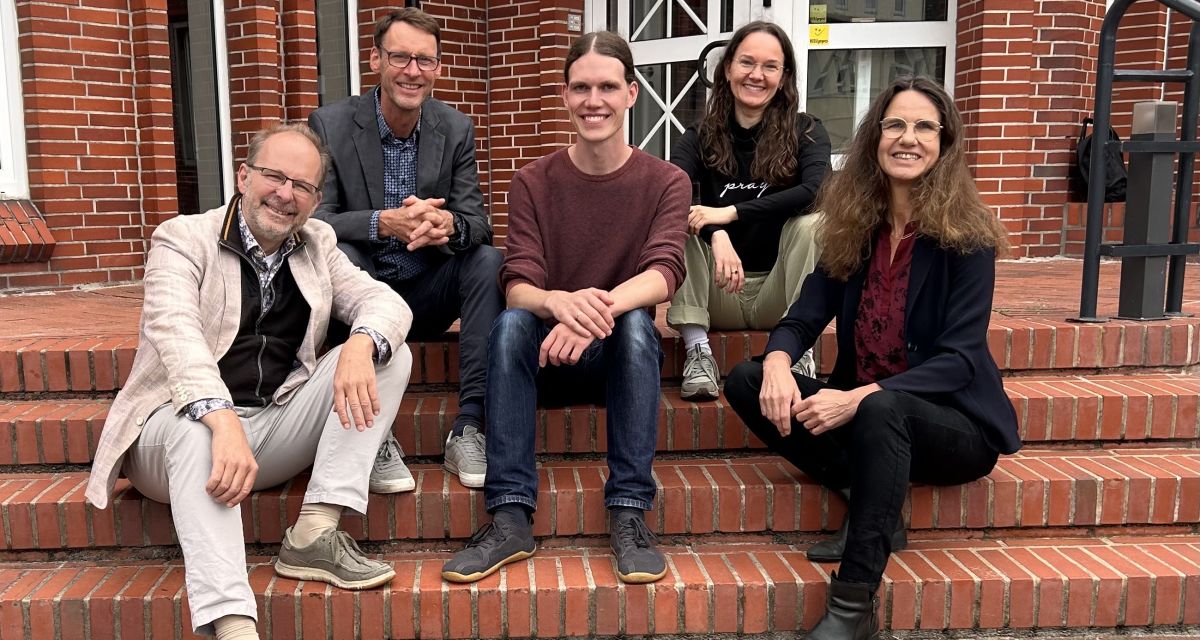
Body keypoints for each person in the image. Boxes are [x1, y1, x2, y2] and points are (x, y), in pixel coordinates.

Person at [84, 123, 412, 640]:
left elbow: (386, 303)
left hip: (268, 428)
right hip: (168, 439)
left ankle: (315, 533)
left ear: (315, 199)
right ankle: (233, 622)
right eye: (274, 177)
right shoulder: (182, 238)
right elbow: (177, 338)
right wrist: (220, 420)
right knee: (196, 429)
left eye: (301, 186)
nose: (285, 195)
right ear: (243, 176)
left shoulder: (317, 241)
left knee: (391, 356)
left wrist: (358, 343)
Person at [723, 76, 1020, 640]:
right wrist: (782, 364)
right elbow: (803, 316)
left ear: (945, 143)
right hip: (869, 421)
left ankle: (853, 604)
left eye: (924, 127)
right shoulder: (855, 230)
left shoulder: (967, 238)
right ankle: (873, 499)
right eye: (895, 125)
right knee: (747, 378)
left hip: (952, 425)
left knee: (884, 407)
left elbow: (959, 360)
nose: (907, 138)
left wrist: (856, 398)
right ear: (875, 139)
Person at [440, 31, 689, 586]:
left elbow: (664, 272)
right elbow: (518, 283)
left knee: (636, 326)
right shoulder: (532, 181)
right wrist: (560, 304)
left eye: (606, 87)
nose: (592, 100)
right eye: (580, 87)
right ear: (565, 94)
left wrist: (592, 313)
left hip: (616, 365)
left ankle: (629, 512)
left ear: (630, 93)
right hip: (541, 363)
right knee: (510, 324)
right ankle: (509, 516)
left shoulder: (666, 181)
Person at [308, 8, 501, 492]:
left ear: (437, 68)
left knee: (486, 262)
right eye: (401, 57)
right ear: (375, 59)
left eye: (425, 60)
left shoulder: (455, 128)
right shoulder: (330, 125)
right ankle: (375, 434)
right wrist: (383, 223)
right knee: (342, 254)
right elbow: (315, 222)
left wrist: (446, 224)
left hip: (425, 292)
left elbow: (478, 224)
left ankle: (470, 425)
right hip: (360, 296)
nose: (413, 71)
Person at [666, 21, 831, 401]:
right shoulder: (700, 136)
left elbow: (817, 190)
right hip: (719, 291)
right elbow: (668, 191)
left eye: (770, 66)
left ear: (784, 76)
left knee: (815, 223)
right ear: (727, 69)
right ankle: (698, 351)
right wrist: (715, 233)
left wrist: (729, 215)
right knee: (683, 219)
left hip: (779, 290)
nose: (757, 75)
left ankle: (799, 351)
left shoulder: (806, 131)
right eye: (746, 62)